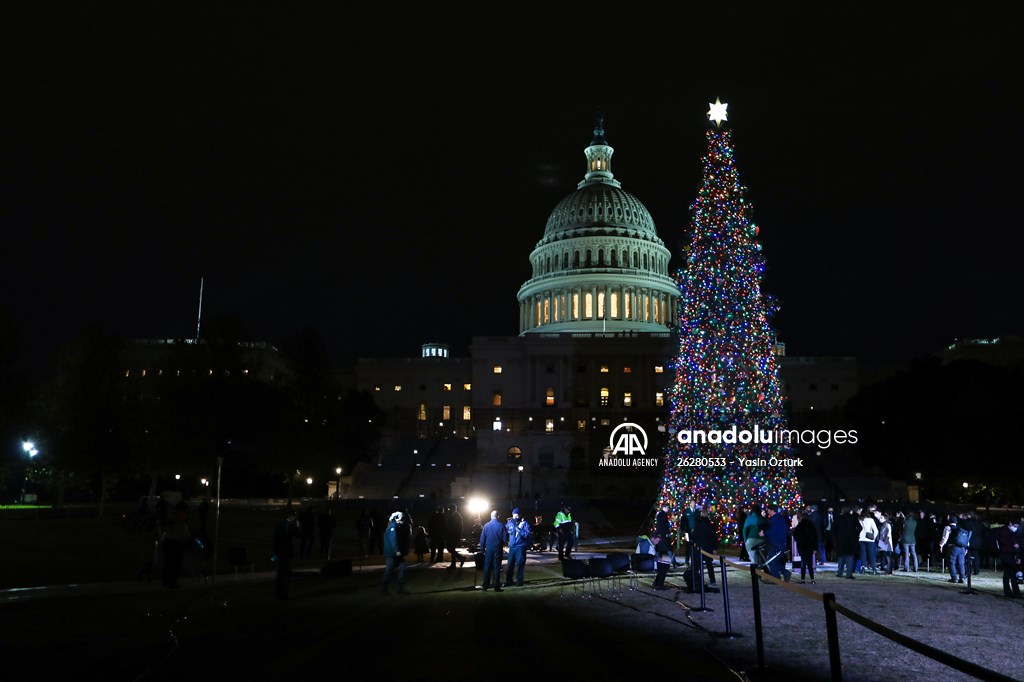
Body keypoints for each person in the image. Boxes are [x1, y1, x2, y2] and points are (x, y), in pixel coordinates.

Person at [161, 501, 190, 589]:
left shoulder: (171, 517)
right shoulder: (180, 522)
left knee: (168, 562)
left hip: (168, 541)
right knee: (175, 564)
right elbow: (184, 534)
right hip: (176, 543)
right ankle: (172, 582)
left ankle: (165, 581)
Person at [380, 510, 411, 595]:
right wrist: (397, 551)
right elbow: (393, 540)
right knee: (390, 570)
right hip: (392, 553)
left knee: (397, 569)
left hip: (394, 553)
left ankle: (397, 589)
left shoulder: (394, 526)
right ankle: (386, 589)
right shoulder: (393, 527)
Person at [478, 510, 507, 592]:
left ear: (491, 516)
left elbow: (482, 539)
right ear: (498, 516)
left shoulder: (486, 526)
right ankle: (496, 586)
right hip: (498, 549)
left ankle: (485, 586)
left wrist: (482, 549)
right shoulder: (501, 525)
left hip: (489, 549)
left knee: (487, 567)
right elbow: (505, 539)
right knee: (497, 567)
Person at [763, 504, 792, 582]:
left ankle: (777, 578)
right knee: (773, 561)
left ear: (772, 510)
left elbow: (773, 531)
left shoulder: (775, 520)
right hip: (779, 543)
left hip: (777, 544)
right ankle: (785, 573)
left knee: (771, 561)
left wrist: (764, 533)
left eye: (768, 511)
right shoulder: (780, 519)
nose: (767, 512)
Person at [504, 508, 531, 587]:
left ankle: (519, 581)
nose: (514, 517)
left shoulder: (524, 523)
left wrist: (518, 529)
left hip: (520, 547)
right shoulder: (510, 523)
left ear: (519, 515)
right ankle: (509, 580)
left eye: (516, 515)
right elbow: (505, 531)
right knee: (510, 564)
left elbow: (527, 534)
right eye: (513, 515)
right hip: (512, 547)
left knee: (520, 564)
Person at [273, 512, 298, 600]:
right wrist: (298, 525)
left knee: (280, 573)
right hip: (286, 553)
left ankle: (278, 593)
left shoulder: (280, 525)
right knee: (285, 574)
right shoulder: (288, 526)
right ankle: (283, 594)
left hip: (280, 552)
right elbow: (298, 534)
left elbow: (276, 539)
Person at [938, 515, 967, 584]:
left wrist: (941, 545)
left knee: (952, 562)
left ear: (949, 521)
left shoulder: (948, 527)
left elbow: (945, 538)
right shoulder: (960, 529)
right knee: (961, 563)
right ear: (956, 522)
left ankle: (954, 578)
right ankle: (962, 577)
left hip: (953, 547)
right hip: (962, 548)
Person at [996, 520, 1021, 598]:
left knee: (1007, 574)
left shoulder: (1007, 531)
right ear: (1010, 524)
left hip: (1007, 554)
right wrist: (1014, 545)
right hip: (1007, 554)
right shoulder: (1005, 531)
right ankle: (1015, 593)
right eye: (1015, 526)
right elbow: (1004, 542)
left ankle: (1009, 592)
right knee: (1012, 572)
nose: (1016, 528)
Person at [793, 510, 819, 584]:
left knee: (803, 563)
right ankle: (812, 579)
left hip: (802, 546)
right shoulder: (812, 526)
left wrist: (799, 541)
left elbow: (795, 535)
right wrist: (815, 548)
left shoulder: (800, 525)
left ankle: (803, 579)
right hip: (810, 546)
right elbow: (815, 537)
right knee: (810, 563)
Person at [833, 507, 860, 579]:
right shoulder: (853, 518)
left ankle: (840, 573)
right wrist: (855, 534)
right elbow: (860, 527)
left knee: (841, 557)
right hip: (851, 540)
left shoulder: (839, 518)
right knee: (850, 557)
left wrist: (836, 536)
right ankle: (849, 574)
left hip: (841, 540)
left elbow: (833, 528)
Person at [655, 502, 679, 567]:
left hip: (661, 535)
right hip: (663, 535)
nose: (668, 509)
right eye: (667, 507)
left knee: (660, 550)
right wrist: (666, 533)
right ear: (664, 508)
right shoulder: (662, 515)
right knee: (668, 549)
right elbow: (663, 526)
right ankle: (673, 562)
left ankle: (658, 563)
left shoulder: (661, 514)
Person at [444, 503, 466, 568]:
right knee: (451, 549)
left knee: (450, 549)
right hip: (452, 535)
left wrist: (458, 534)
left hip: (454, 535)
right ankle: (457, 561)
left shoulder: (456, 516)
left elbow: (459, 526)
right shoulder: (453, 516)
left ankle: (459, 559)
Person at [857, 509, 879, 575]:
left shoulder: (859, 519)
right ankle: (874, 569)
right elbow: (876, 530)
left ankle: (863, 568)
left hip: (861, 539)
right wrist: (873, 538)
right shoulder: (871, 520)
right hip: (869, 540)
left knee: (863, 554)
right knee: (871, 555)